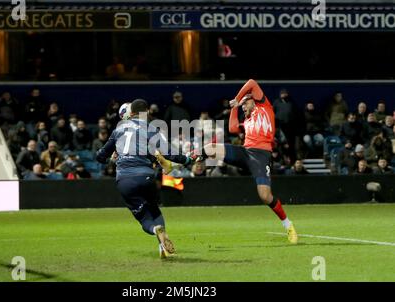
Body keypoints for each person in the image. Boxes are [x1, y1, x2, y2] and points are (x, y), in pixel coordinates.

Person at [194, 79, 298, 244]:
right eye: (242, 104)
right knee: (210, 148)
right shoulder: (247, 120)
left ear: (253, 100)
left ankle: (288, 224)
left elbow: (251, 82)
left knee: (265, 196)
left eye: (245, 103)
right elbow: (233, 129)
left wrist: (237, 98)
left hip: (261, 156)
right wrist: (235, 107)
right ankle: (184, 159)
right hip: (245, 152)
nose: (243, 106)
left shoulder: (265, 106)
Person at [95, 99, 193, 259]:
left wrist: (110, 157)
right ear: (145, 112)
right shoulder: (151, 129)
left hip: (124, 179)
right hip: (146, 176)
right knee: (154, 209)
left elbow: (100, 156)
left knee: (143, 217)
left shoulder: (118, 130)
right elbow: (170, 153)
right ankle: (162, 245)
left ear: (128, 114)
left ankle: (155, 230)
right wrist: (187, 160)